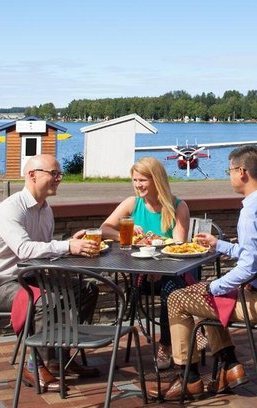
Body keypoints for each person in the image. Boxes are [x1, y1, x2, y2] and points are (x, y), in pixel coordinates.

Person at [144, 145, 257, 400]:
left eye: (230, 171)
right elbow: (255, 254)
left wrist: (213, 287)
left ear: (242, 172)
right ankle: (230, 366)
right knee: (202, 294)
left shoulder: (251, 212)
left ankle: (189, 378)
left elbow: (248, 267)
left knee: (177, 299)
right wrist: (219, 245)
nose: (230, 176)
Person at [0, 153, 100, 391]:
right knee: (47, 300)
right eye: (53, 174)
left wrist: (70, 243)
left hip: (32, 277)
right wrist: (67, 246)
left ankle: (59, 357)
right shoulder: (10, 209)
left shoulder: (45, 210)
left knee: (86, 289)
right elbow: (25, 250)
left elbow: (43, 251)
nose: (58, 179)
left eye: (60, 174)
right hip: (0, 283)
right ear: (32, 175)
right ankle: (34, 365)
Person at [101, 156, 191, 370]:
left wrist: (160, 267)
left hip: (170, 271)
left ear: (156, 180)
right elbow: (104, 228)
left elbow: (178, 247)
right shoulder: (133, 203)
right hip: (140, 273)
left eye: (142, 180)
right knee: (164, 287)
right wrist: (126, 233)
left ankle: (166, 345)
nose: (137, 185)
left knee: (172, 289)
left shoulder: (178, 207)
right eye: (135, 180)